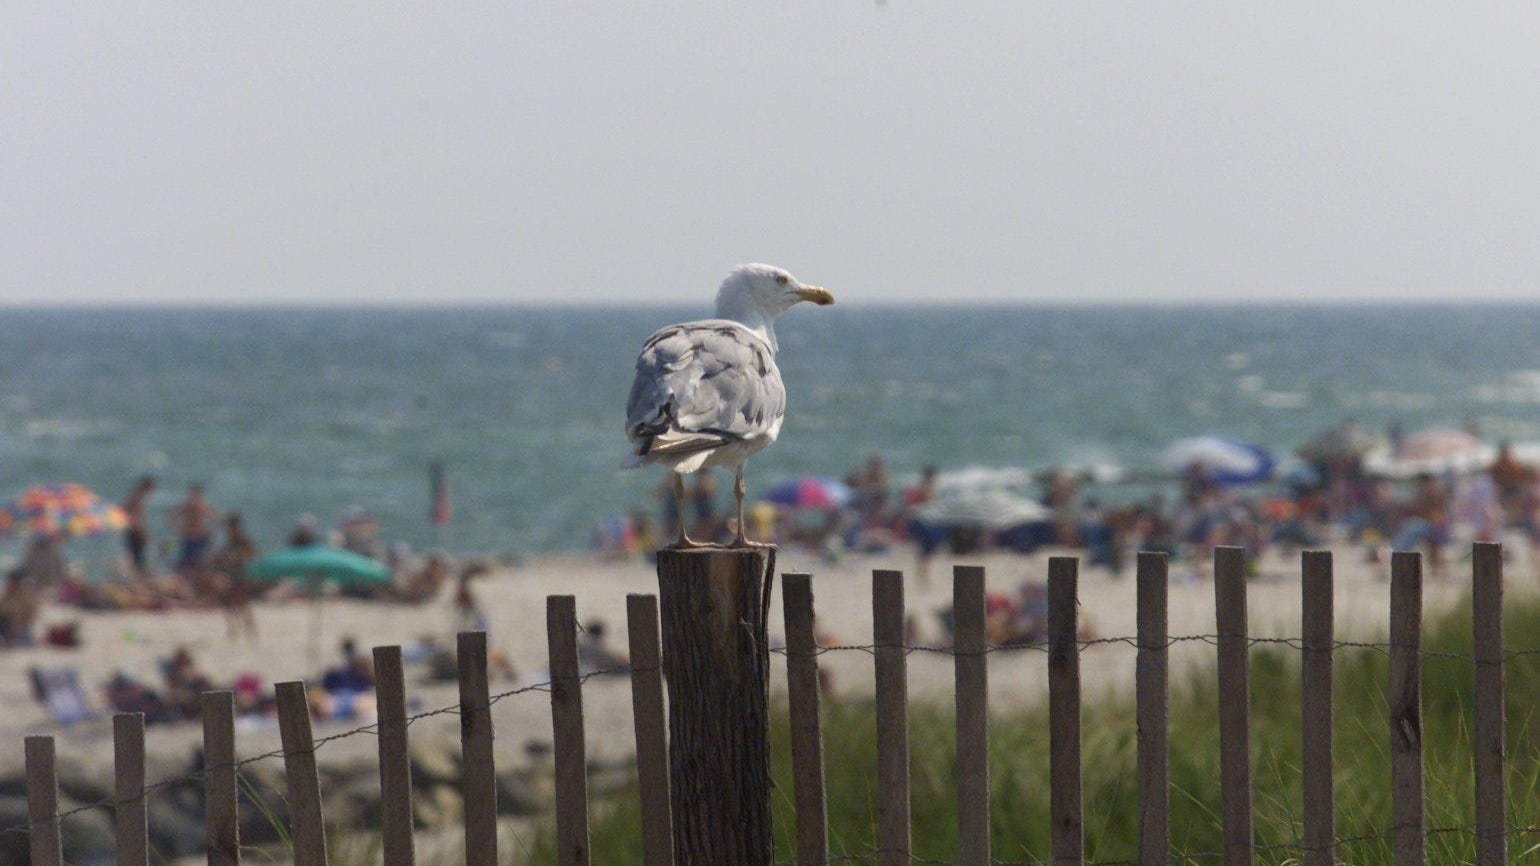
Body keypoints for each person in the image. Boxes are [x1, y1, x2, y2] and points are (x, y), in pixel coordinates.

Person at [211, 512, 259, 640]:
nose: (228, 530)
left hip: (242, 574)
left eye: (229, 527)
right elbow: (222, 557)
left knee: (242, 603)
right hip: (231, 574)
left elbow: (253, 554)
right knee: (228, 602)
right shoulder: (230, 542)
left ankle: (249, 630)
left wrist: (239, 557)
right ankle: (234, 630)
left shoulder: (242, 540)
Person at [169, 484, 219, 573]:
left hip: (200, 535)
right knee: (186, 561)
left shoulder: (203, 506)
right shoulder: (186, 506)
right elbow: (173, 516)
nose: (194, 497)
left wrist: (209, 529)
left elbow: (216, 517)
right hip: (189, 535)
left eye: (196, 494)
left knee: (200, 560)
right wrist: (179, 528)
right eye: (193, 494)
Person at [120, 475, 156, 579]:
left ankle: (138, 577)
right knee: (139, 559)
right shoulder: (138, 498)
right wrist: (144, 533)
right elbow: (137, 518)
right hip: (135, 532)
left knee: (135, 558)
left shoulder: (133, 497)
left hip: (131, 531)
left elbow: (123, 509)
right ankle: (140, 578)